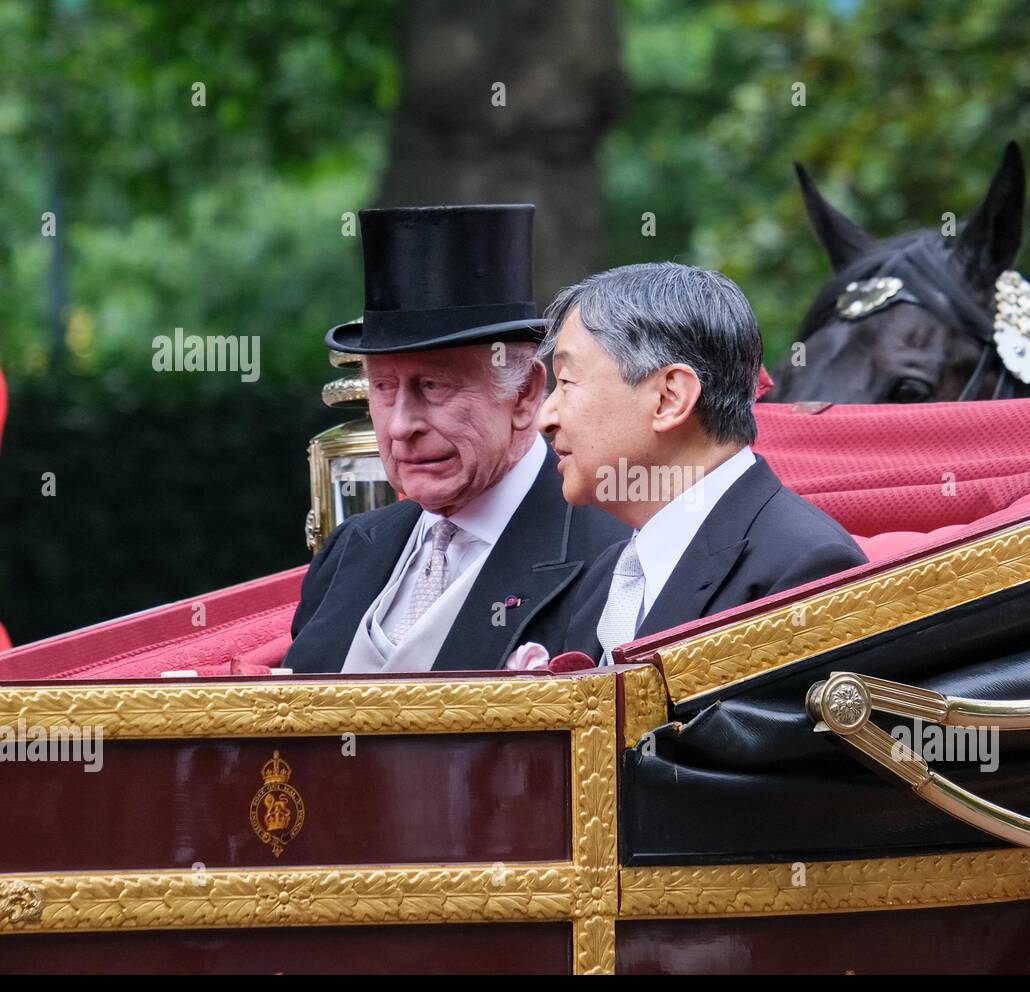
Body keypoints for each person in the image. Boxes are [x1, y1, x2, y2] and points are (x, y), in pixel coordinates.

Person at [283, 205, 627, 673]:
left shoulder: (615, 558)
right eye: (383, 387)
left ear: (525, 394)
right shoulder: (350, 549)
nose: (402, 425)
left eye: (434, 387)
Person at [537, 262, 867, 665]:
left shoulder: (805, 569)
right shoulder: (606, 576)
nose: (546, 418)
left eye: (567, 382)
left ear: (669, 398)